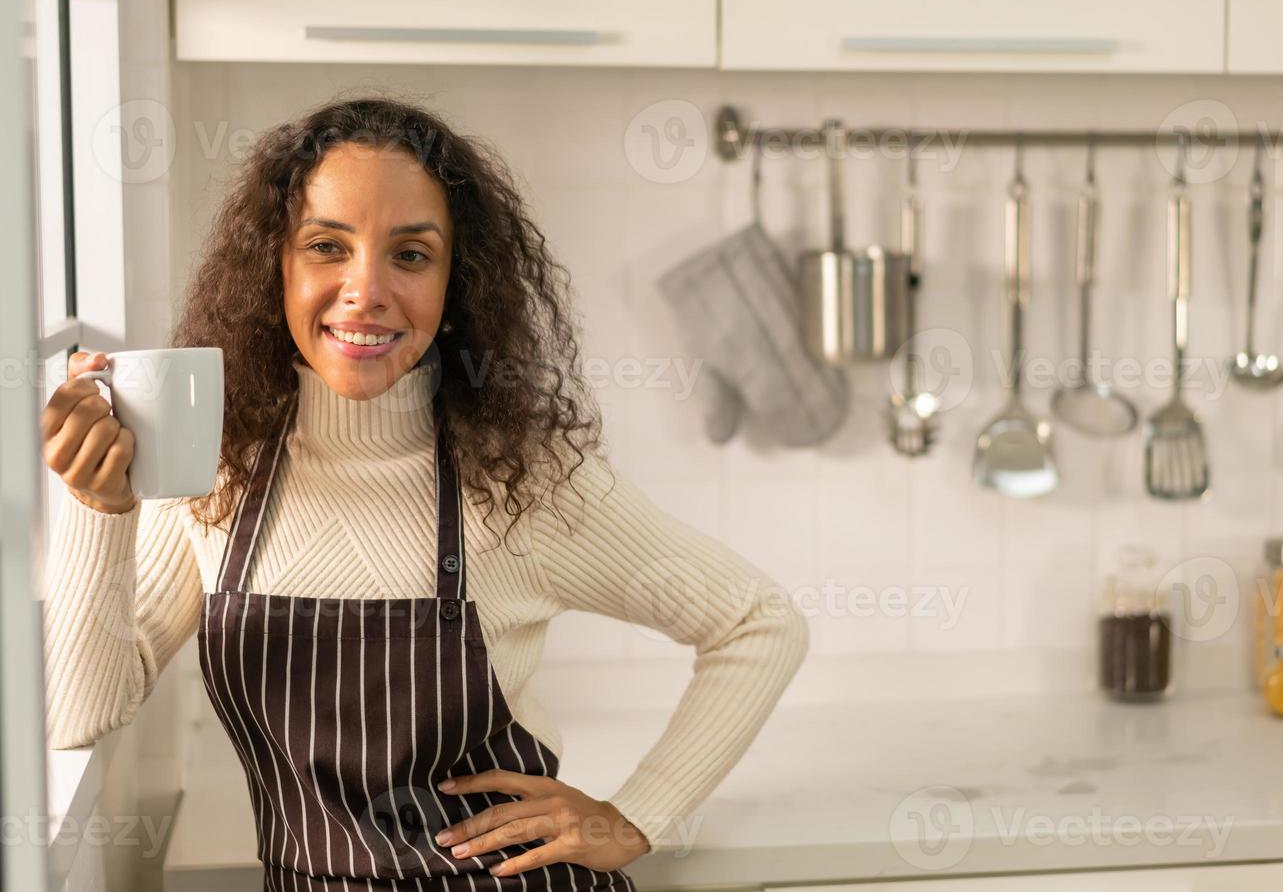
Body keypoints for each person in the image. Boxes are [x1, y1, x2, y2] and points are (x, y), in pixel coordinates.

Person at [39, 95, 810, 891]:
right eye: (326, 246)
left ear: (456, 281)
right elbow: (78, 713)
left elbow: (757, 622)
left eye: (409, 255)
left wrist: (638, 813)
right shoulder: (218, 473)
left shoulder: (523, 479)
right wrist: (97, 508)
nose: (364, 290)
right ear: (275, 262)